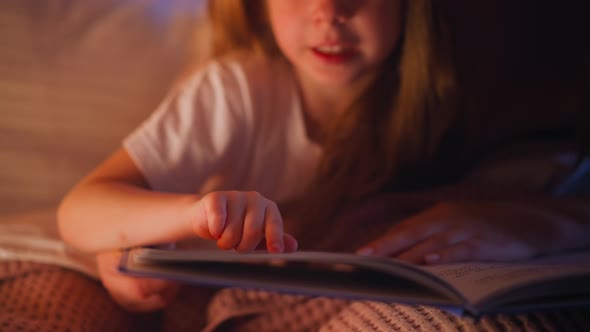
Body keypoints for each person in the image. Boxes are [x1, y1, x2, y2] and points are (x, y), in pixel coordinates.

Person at [57, 0, 590, 315]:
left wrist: (529, 226)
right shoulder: (238, 92)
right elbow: (80, 210)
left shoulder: (448, 96)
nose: (330, 12)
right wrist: (191, 214)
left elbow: (559, 179)